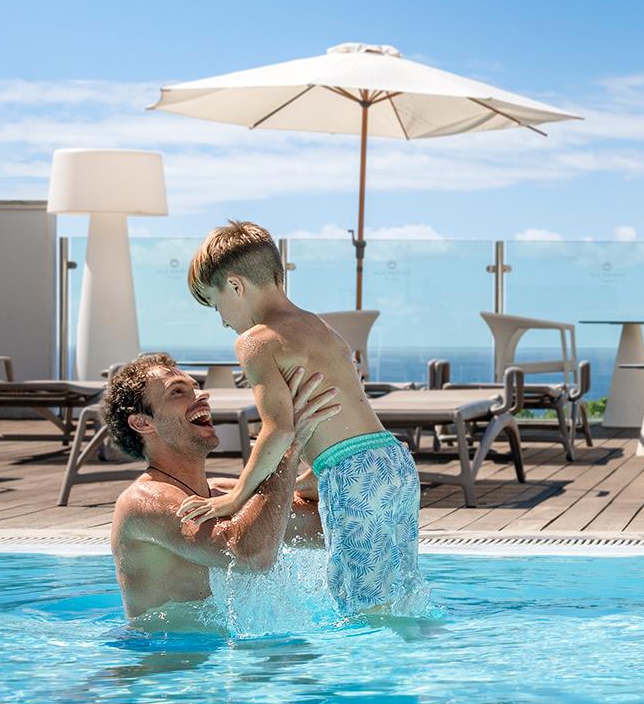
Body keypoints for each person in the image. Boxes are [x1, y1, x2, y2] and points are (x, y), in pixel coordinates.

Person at [175, 221, 422, 612]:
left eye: (215, 303)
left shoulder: (255, 341)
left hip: (353, 473)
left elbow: (278, 430)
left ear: (236, 286)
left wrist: (238, 497)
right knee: (399, 598)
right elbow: (343, 420)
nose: (222, 320)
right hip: (393, 463)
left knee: (364, 610)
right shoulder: (318, 326)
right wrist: (313, 478)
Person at [108, 353, 340, 622]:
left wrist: (325, 459)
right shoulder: (142, 502)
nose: (201, 394)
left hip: (223, 647)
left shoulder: (223, 493)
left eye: (195, 387)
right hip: (162, 648)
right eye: (178, 391)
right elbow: (249, 556)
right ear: (142, 423)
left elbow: (329, 528)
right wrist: (289, 445)